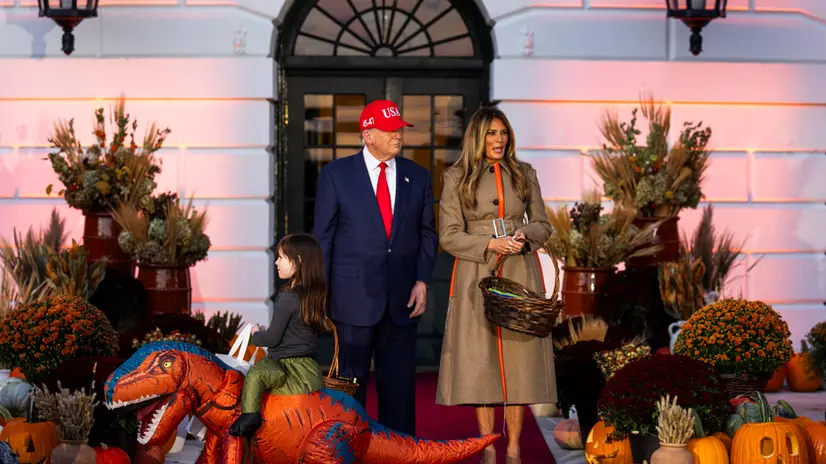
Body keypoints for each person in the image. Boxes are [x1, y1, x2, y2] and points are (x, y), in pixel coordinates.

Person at [436, 107, 556, 463]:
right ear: (477, 137)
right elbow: (448, 235)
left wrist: (524, 235)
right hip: (477, 273)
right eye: (491, 133)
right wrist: (490, 244)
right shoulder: (456, 177)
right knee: (480, 359)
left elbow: (543, 224)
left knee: (520, 359)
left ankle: (515, 449)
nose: (499, 140)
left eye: (503, 133)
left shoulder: (525, 173)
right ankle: (489, 448)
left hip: (520, 268)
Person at [312, 99, 438, 435]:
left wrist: (422, 280)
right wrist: (320, 292)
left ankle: (399, 455)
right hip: (350, 300)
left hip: (402, 302)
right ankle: (344, 452)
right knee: (348, 394)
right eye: (390, 129)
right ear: (368, 135)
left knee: (398, 393)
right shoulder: (336, 175)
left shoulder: (418, 176)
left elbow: (428, 234)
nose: (398, 135)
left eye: (399, 129)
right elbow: (322, 238)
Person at [228, 233, 331, 437]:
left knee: (256, 373)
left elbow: (272, 340)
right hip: (309, 371)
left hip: (288, 370)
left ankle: (249, 417)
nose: (276, 262)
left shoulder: (287, 297)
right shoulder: (312, 296)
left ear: (298, 261)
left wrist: (256, 334)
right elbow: (293, 332)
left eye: (282, 257)